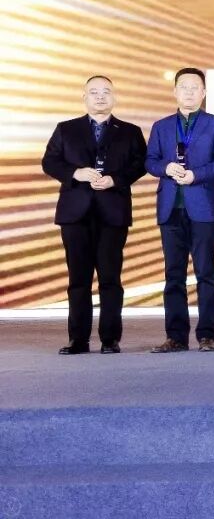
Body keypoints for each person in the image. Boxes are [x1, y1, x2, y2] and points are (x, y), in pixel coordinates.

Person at [42, 75, 147, 355]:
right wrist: (75, 173)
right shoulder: (66, 129)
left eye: (106, 92)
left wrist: (115, 180)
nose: (100, 97)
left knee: (110, 278)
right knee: (78, 279)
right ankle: (78, 339)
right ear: (84, 97)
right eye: (94, 92)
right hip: (75, 213)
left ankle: (110, 339)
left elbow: (140, 164)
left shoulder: (130, 131)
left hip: (112, 211)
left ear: (114, 97)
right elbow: (50, 161)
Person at [145, 68, 214, 353]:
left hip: (203, 206)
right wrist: (165, 168)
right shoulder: (161, 126)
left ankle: (207, 335)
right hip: (170, 208)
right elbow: (150, 161)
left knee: (206, 272)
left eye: (195, 87)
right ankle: (176, 336)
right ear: (175, 91)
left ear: (204, 92)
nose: (189, 92)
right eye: (184, 87)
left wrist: (196, 175)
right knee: (174, 274)